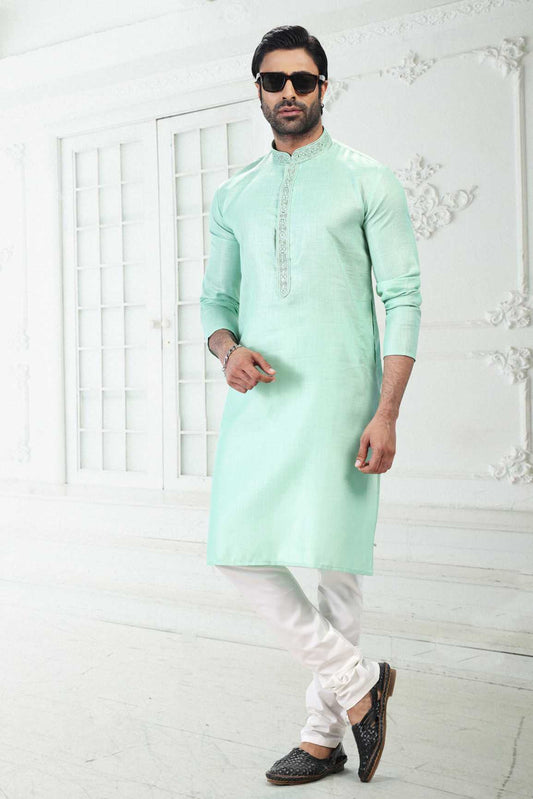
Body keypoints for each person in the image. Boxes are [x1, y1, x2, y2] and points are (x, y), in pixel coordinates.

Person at [199, 24, 421, 785]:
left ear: (323, 86)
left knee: (335, 569)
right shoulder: (234, 193)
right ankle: (360, 682)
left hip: (343, 398)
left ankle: (321, 737)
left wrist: (386, 411)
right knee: (235, 548)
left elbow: (403, 298)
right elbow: (216, 302)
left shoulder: (368, 180)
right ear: (258, 90)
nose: (287, 92)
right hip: (262, 397)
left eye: (302, 79)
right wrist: (227, 350)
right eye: (273, 80)